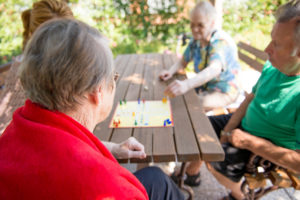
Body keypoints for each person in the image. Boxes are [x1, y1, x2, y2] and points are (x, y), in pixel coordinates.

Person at [0, 18, 185, 200]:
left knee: (157, 178)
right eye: (114, 77)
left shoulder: (13, 132)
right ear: (97, 91)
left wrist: (111, 148)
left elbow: (52, 149)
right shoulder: (107, 187)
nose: (114, 83)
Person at [177, 1, 300, 199]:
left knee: (213, 157)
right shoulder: (273, 68)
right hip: (243, 126)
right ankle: (192, 174)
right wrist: (228, 129)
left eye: (276, 44)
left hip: (266, 147)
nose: (267, 49)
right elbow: (248, 100)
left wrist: (250, 143)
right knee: (197, 128)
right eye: (270, 40)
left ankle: (239, 196)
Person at [0, 0, 73, 133]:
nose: (64, 46)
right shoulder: (28, 73)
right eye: (56, 39)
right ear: (37, 37)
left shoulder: (56, 64)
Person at [159, 1, 241, 112]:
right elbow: (183, 61)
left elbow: (214, 69)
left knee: (186, 106)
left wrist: (187, 84)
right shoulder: (196, 41)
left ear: (212, 23)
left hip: (224, 91)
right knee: (174, 99)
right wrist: (170, 71)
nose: (195, 29)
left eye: (200, 25)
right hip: (205, 87)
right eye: (192, 24)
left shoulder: (220, 41)